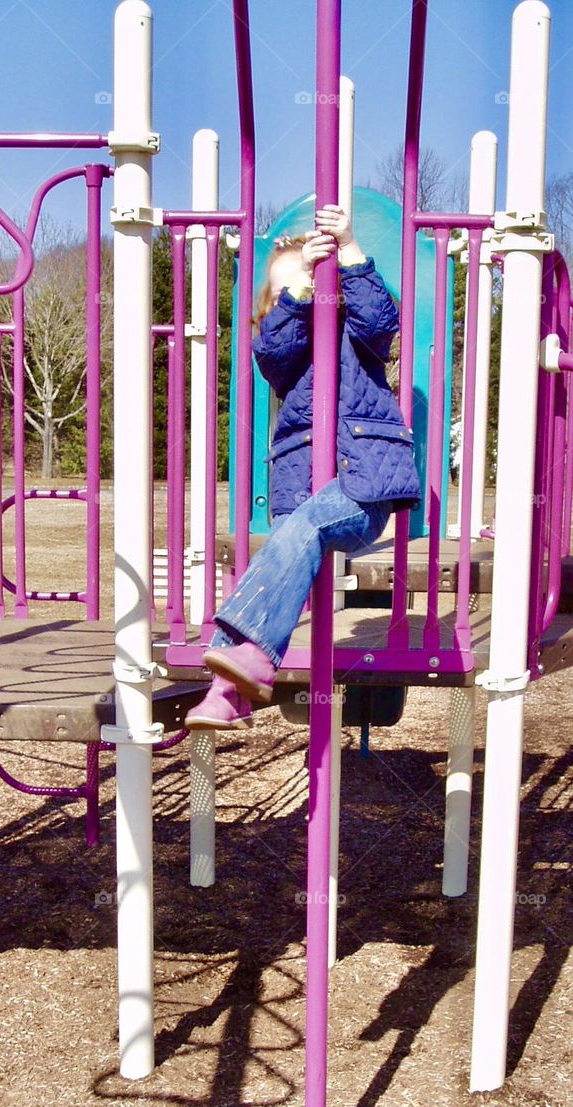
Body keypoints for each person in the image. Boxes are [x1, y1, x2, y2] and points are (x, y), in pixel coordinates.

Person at [185, 203, 421, 730]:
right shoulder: (283, 349)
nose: (307, 290)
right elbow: (274, 350)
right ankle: (228, 690)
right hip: (307, 495)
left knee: (308, 526)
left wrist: (351, 249)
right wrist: (294, 293)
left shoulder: (357, 338)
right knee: (297, 532)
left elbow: (381, 318)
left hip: (364, 485)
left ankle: (247, 661)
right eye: (288, 287)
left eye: (314, 281)